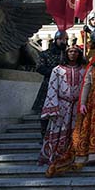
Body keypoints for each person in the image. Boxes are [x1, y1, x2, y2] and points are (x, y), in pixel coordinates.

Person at [39, 44, 86, 177]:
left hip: (77, 105)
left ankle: (74, 155)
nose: (72, 54)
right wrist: (53, 107)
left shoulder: (84, 70)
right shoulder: (57, 70)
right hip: (62, 105)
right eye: (70, 51)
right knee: (58, 131)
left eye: (75, 52)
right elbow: (52, 88)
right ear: (66, 54)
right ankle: (55, 156)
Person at [32, 30, 68, 139]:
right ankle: (44, 137)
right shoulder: (46, 54)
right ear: (56, 40)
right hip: (48, 85)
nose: (64, 41)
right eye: (61, 39)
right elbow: (40, 68)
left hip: (64, 86)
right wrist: (55, 72)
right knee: (45, 113)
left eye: (65, 39)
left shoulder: (68, 54)